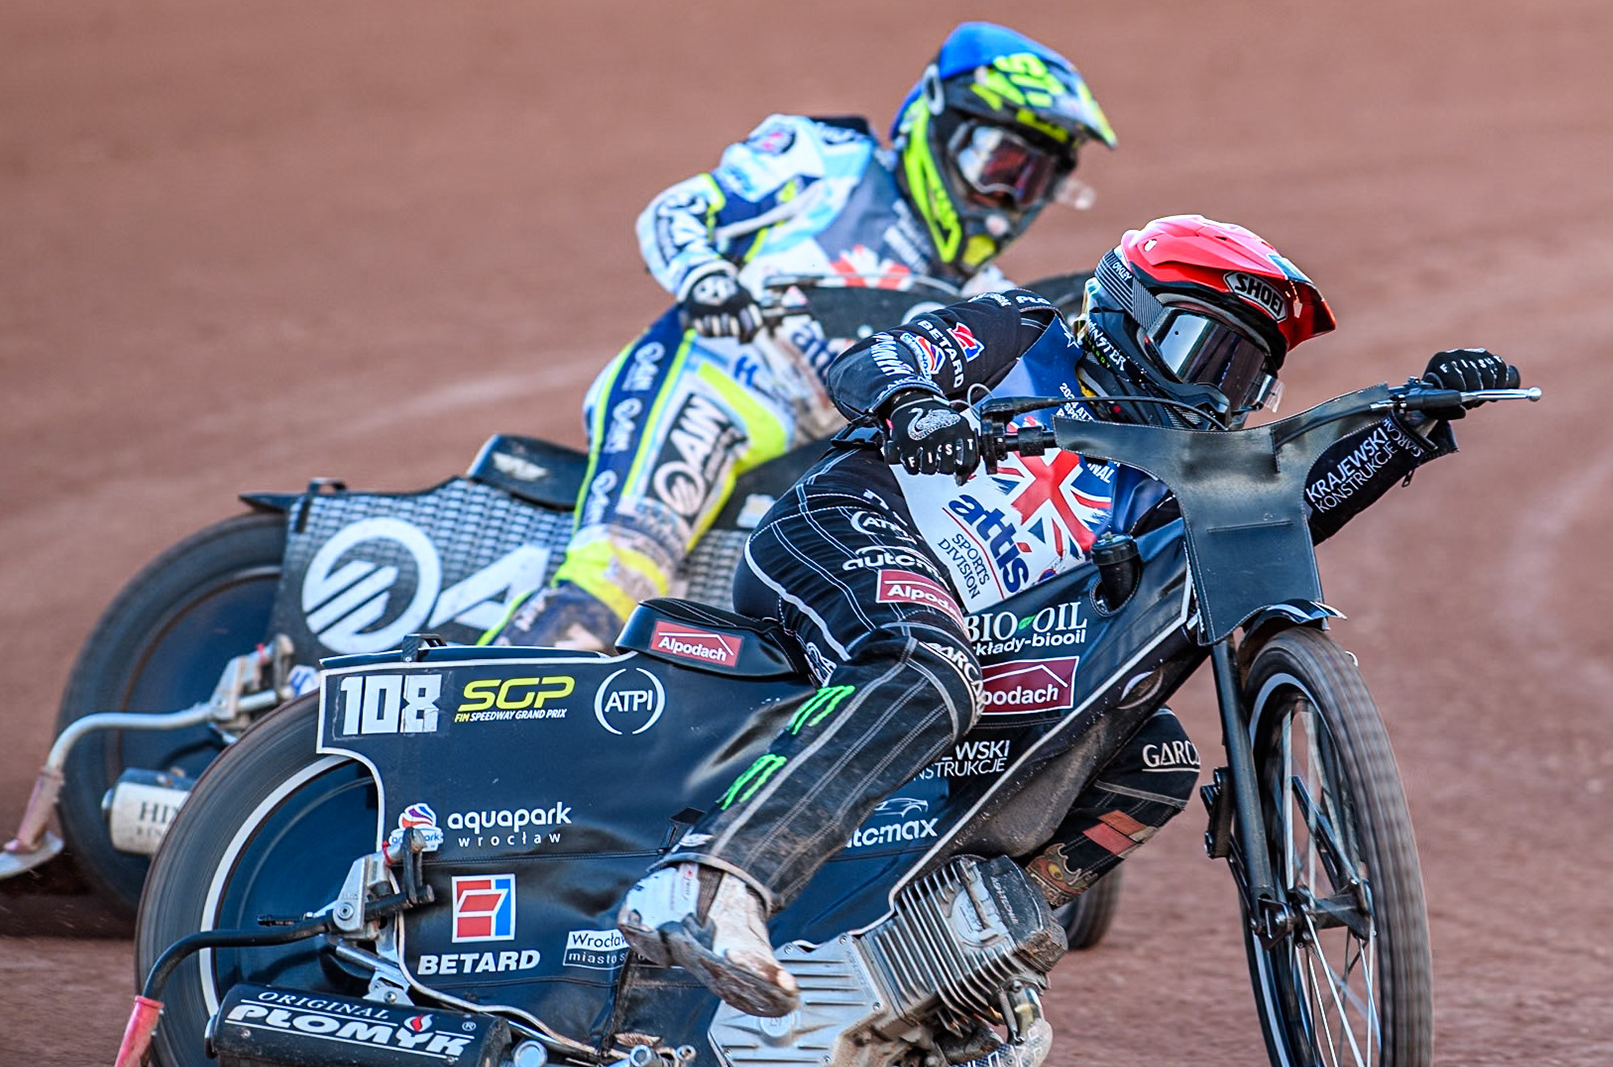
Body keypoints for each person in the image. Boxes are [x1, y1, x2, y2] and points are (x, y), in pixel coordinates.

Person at [618, 214, 1521, 1016]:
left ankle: (965, 939)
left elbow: (1287, 507)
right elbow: (881, 360)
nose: (1214, 392)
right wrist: (918, 407)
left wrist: (1411, 425)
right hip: (846, 531)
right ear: (1129, 313)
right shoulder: (1022, 332)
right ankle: (708, 884)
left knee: (1154, 759)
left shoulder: (1172, 468)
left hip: (978, 634)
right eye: (1201, 351)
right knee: (929, 671)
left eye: (1243, 373)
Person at [493, 23, 1116, 650]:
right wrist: (707, 278)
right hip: (714, 388)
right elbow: (677, 212)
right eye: (999, 164)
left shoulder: (987, 295)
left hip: (822, 460)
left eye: (1032, 181)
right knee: (609, 587)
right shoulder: (825, 159)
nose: (1008, 199)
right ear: (939, 124)